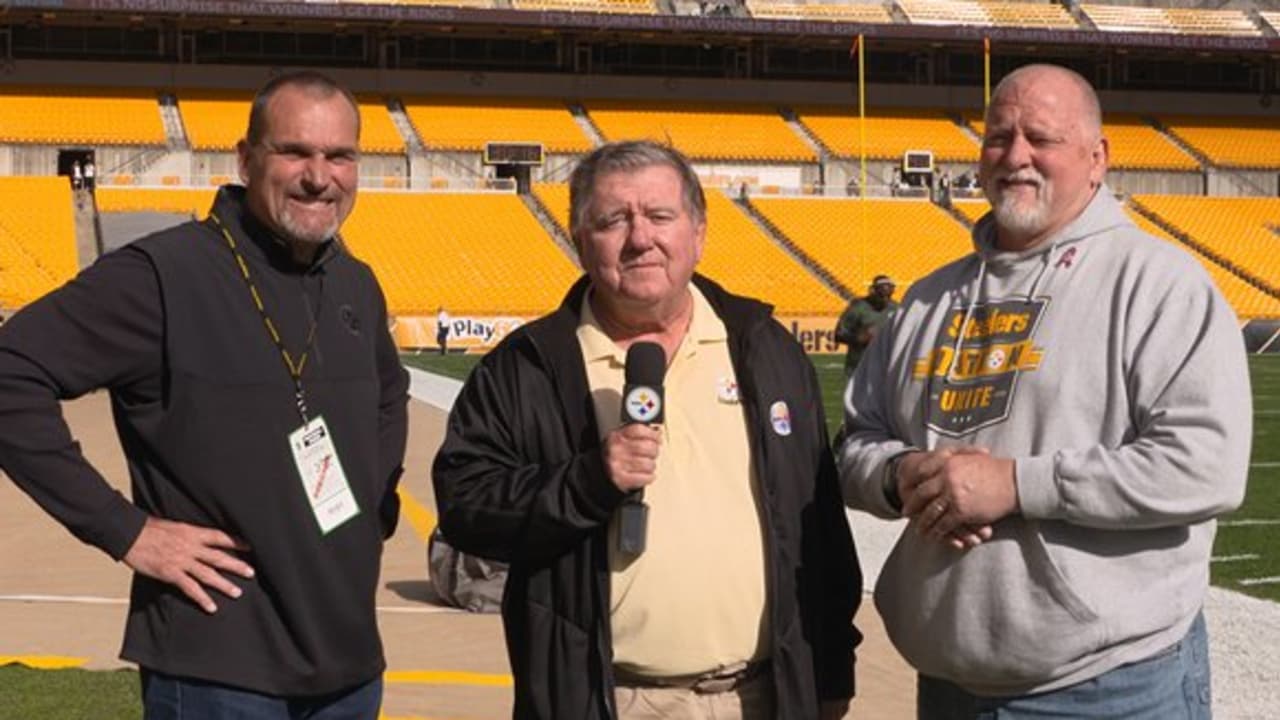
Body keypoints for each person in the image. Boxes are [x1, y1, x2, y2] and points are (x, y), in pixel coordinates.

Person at [839, 64, 1250, 718]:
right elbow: (855, 442)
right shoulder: (928, 299)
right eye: (998, 137)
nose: (1015, 156)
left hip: (1114, 688)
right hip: (949, 686)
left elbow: (1205, 468)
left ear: (1097, 158)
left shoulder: (1160, 285)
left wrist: (1017, 484)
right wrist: (898, 474)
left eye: (1041, 138)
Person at [0, 71, 410, 718]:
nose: (319, 175)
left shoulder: (355, 282)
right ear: (247, 160)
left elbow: (390, 393)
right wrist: (122, 529)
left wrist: (370, 503)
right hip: (219, 672)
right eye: (294, 151)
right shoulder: (163, 274)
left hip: (350, 668)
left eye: (340, 156)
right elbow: (10, 370)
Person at [433, 140, 861, 720]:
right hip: (608, 700)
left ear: (699, 233)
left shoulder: (766, 349)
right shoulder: (527, 365)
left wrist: (832, 673)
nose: (641, 239)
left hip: (763, 697)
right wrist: (586, 481)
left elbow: (822, 528)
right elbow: (465, 505)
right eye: (613, 220)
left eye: (661, 216)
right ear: (580, 241)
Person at [833, 274, 897, 378]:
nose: (885, 299)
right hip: (859, 366)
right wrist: (857, 339)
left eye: (888, 296)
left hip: (885, 366)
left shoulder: (895, 309)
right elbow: (838, 335)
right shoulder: (858, 307)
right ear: (873, 291)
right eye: (881, 295)